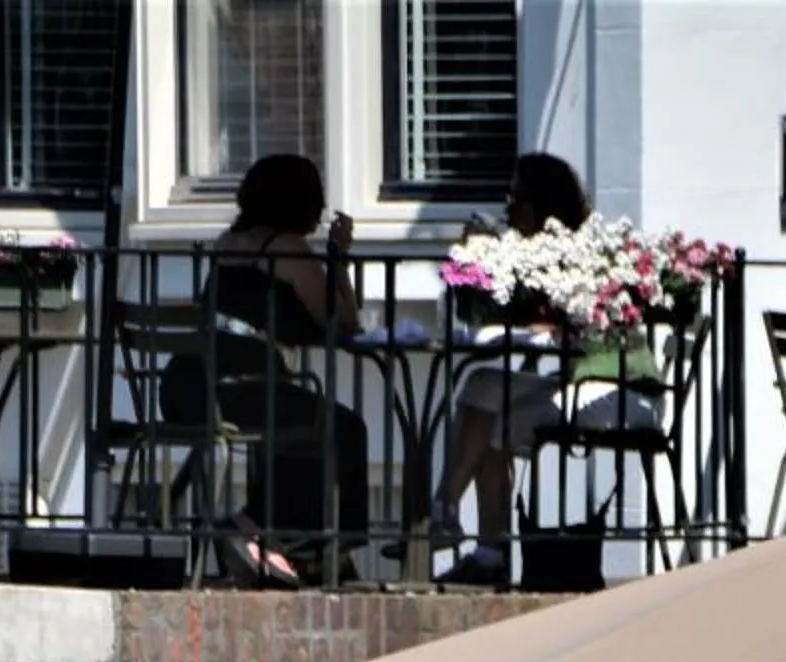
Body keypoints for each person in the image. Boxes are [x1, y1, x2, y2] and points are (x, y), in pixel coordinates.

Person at [185, 153, 373, 586]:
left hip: (197, 385)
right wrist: (338, 257)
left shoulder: (225, 242)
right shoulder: (286, 248)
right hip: (248, 388)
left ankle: (289, 544)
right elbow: (342, 320)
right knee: (342, 429)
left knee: (300, 424)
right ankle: (305, 542)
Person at [416, 153, 594, 585]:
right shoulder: (524, 253)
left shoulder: (577, 252)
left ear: (543, 204)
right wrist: (474, 264)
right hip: (563, 376)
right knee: (488, 403)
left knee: (486, 391)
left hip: (598, 383)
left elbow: (579, 321)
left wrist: (548, 323)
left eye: (517, 198)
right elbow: (496, 318)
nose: (509, 208)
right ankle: (484, 550)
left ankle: (447, 511)